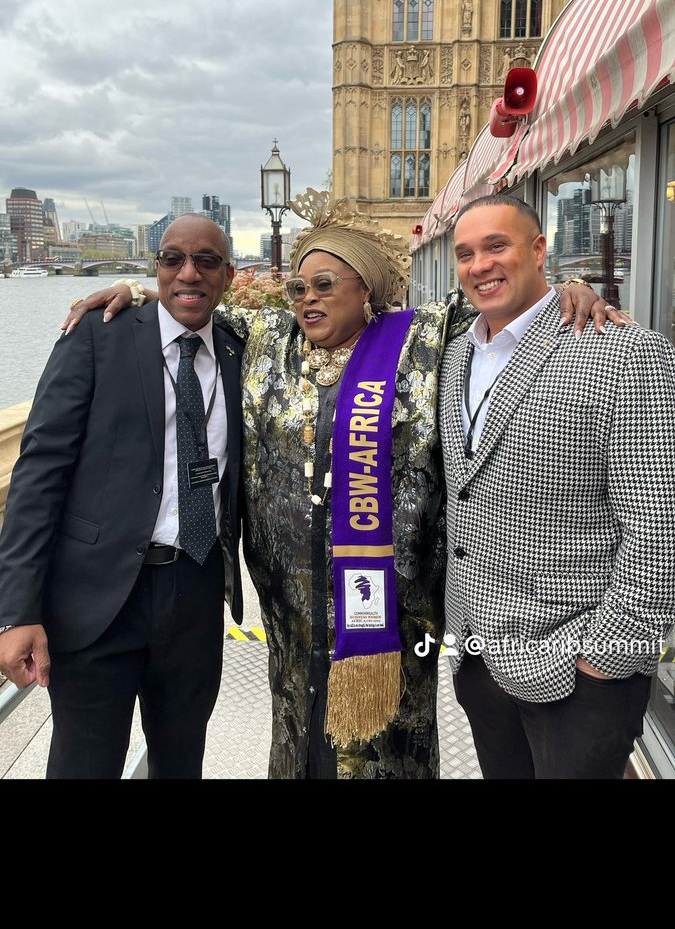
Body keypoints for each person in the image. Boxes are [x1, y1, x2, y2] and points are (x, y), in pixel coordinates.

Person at [59, 189, 621, 780]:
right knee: (301, 747)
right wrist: (140, 291)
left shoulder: (422, 343)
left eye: (326, 285)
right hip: (291, 613)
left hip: (392, 616)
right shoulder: (269, 342)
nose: (307, 299)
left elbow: (504, 297)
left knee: (379, 754)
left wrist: (572, 291)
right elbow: (195, 301)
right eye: (299, 288)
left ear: (368, 291)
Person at [439, 193, 675, 780]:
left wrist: (607, 655)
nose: (480, 265)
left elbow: (657, 526)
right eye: (466, 253)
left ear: (540, 250)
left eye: (498, 246)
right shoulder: (453, 355)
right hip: (479, 655)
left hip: (580, 669)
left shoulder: (624, 353)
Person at [0, 215, 244, 779]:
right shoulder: (96, 335)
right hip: (96, 598)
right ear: (153, 268)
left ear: (229, 276)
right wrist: (17, 611)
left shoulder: (238, 351)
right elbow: (39, 473)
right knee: (83, 766)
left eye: (206, 261)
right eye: (172, 260)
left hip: (195, 594)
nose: (189, 273)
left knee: (181, 763)